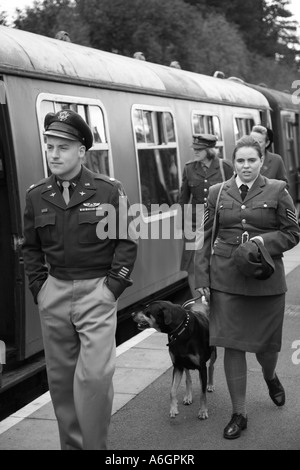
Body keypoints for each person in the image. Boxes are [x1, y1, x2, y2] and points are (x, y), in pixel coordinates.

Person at [22, 109, 138, 450]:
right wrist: (39, 288)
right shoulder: (36, 194)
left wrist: (112, 289)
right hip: (54, 292)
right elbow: (29, 248)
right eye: (50, 146)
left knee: (96, 379)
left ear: (81, 151)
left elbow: (127, 243)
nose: (54, 154)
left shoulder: (108, 191)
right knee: (60, 383)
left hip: (96, 291)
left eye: (63, 147)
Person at [195, 136, 300, 440]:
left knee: (266, 346)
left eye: (251, 160)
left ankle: (270, 375)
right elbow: (202, 238)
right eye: (240, 160)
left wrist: (262, 242)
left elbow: (293, 233)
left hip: (265, 278)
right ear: (233, 162)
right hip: (226, 280)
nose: (245, 166)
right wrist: (201, 280)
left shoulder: (278, 190)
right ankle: (238, 413)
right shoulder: (216, 193)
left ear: (261, 159)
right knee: (232, 344)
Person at [178, 134, 233, 297]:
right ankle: (199, 303)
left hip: (220, 222)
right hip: (194, 225)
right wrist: (182, 227)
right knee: (192, 265)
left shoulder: (225, 167)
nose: (195, 152)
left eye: (199, 149)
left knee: (219, 260)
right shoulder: (189, 168)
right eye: (194, 148)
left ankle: (221, 298)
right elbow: (182, 200)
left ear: (209, 150)